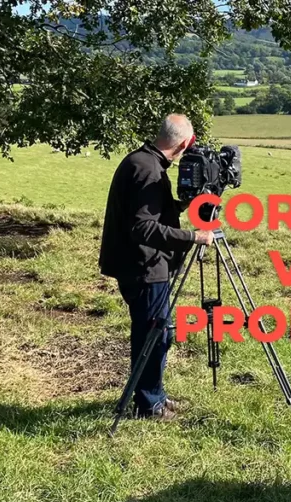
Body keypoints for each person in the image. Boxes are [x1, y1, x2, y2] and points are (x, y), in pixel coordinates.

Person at [99, 114, 214, 421]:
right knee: (153, 334)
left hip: (141, 264)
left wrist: (183, 205)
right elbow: (143, 227)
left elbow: (151, 212)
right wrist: (193, 237)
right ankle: (149, 405)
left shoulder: (143, 162)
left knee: (158, 332)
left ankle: (154, 395)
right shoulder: (147, 170)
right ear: (185, 143)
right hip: (143, 267)